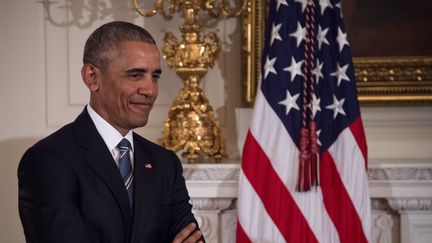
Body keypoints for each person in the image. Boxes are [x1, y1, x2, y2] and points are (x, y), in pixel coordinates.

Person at [18, 21, 204, 243]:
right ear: (92, 78)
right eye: (135, 75)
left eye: (155, 76)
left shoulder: (165, 163)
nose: (150, 90)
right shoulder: (48, 160)